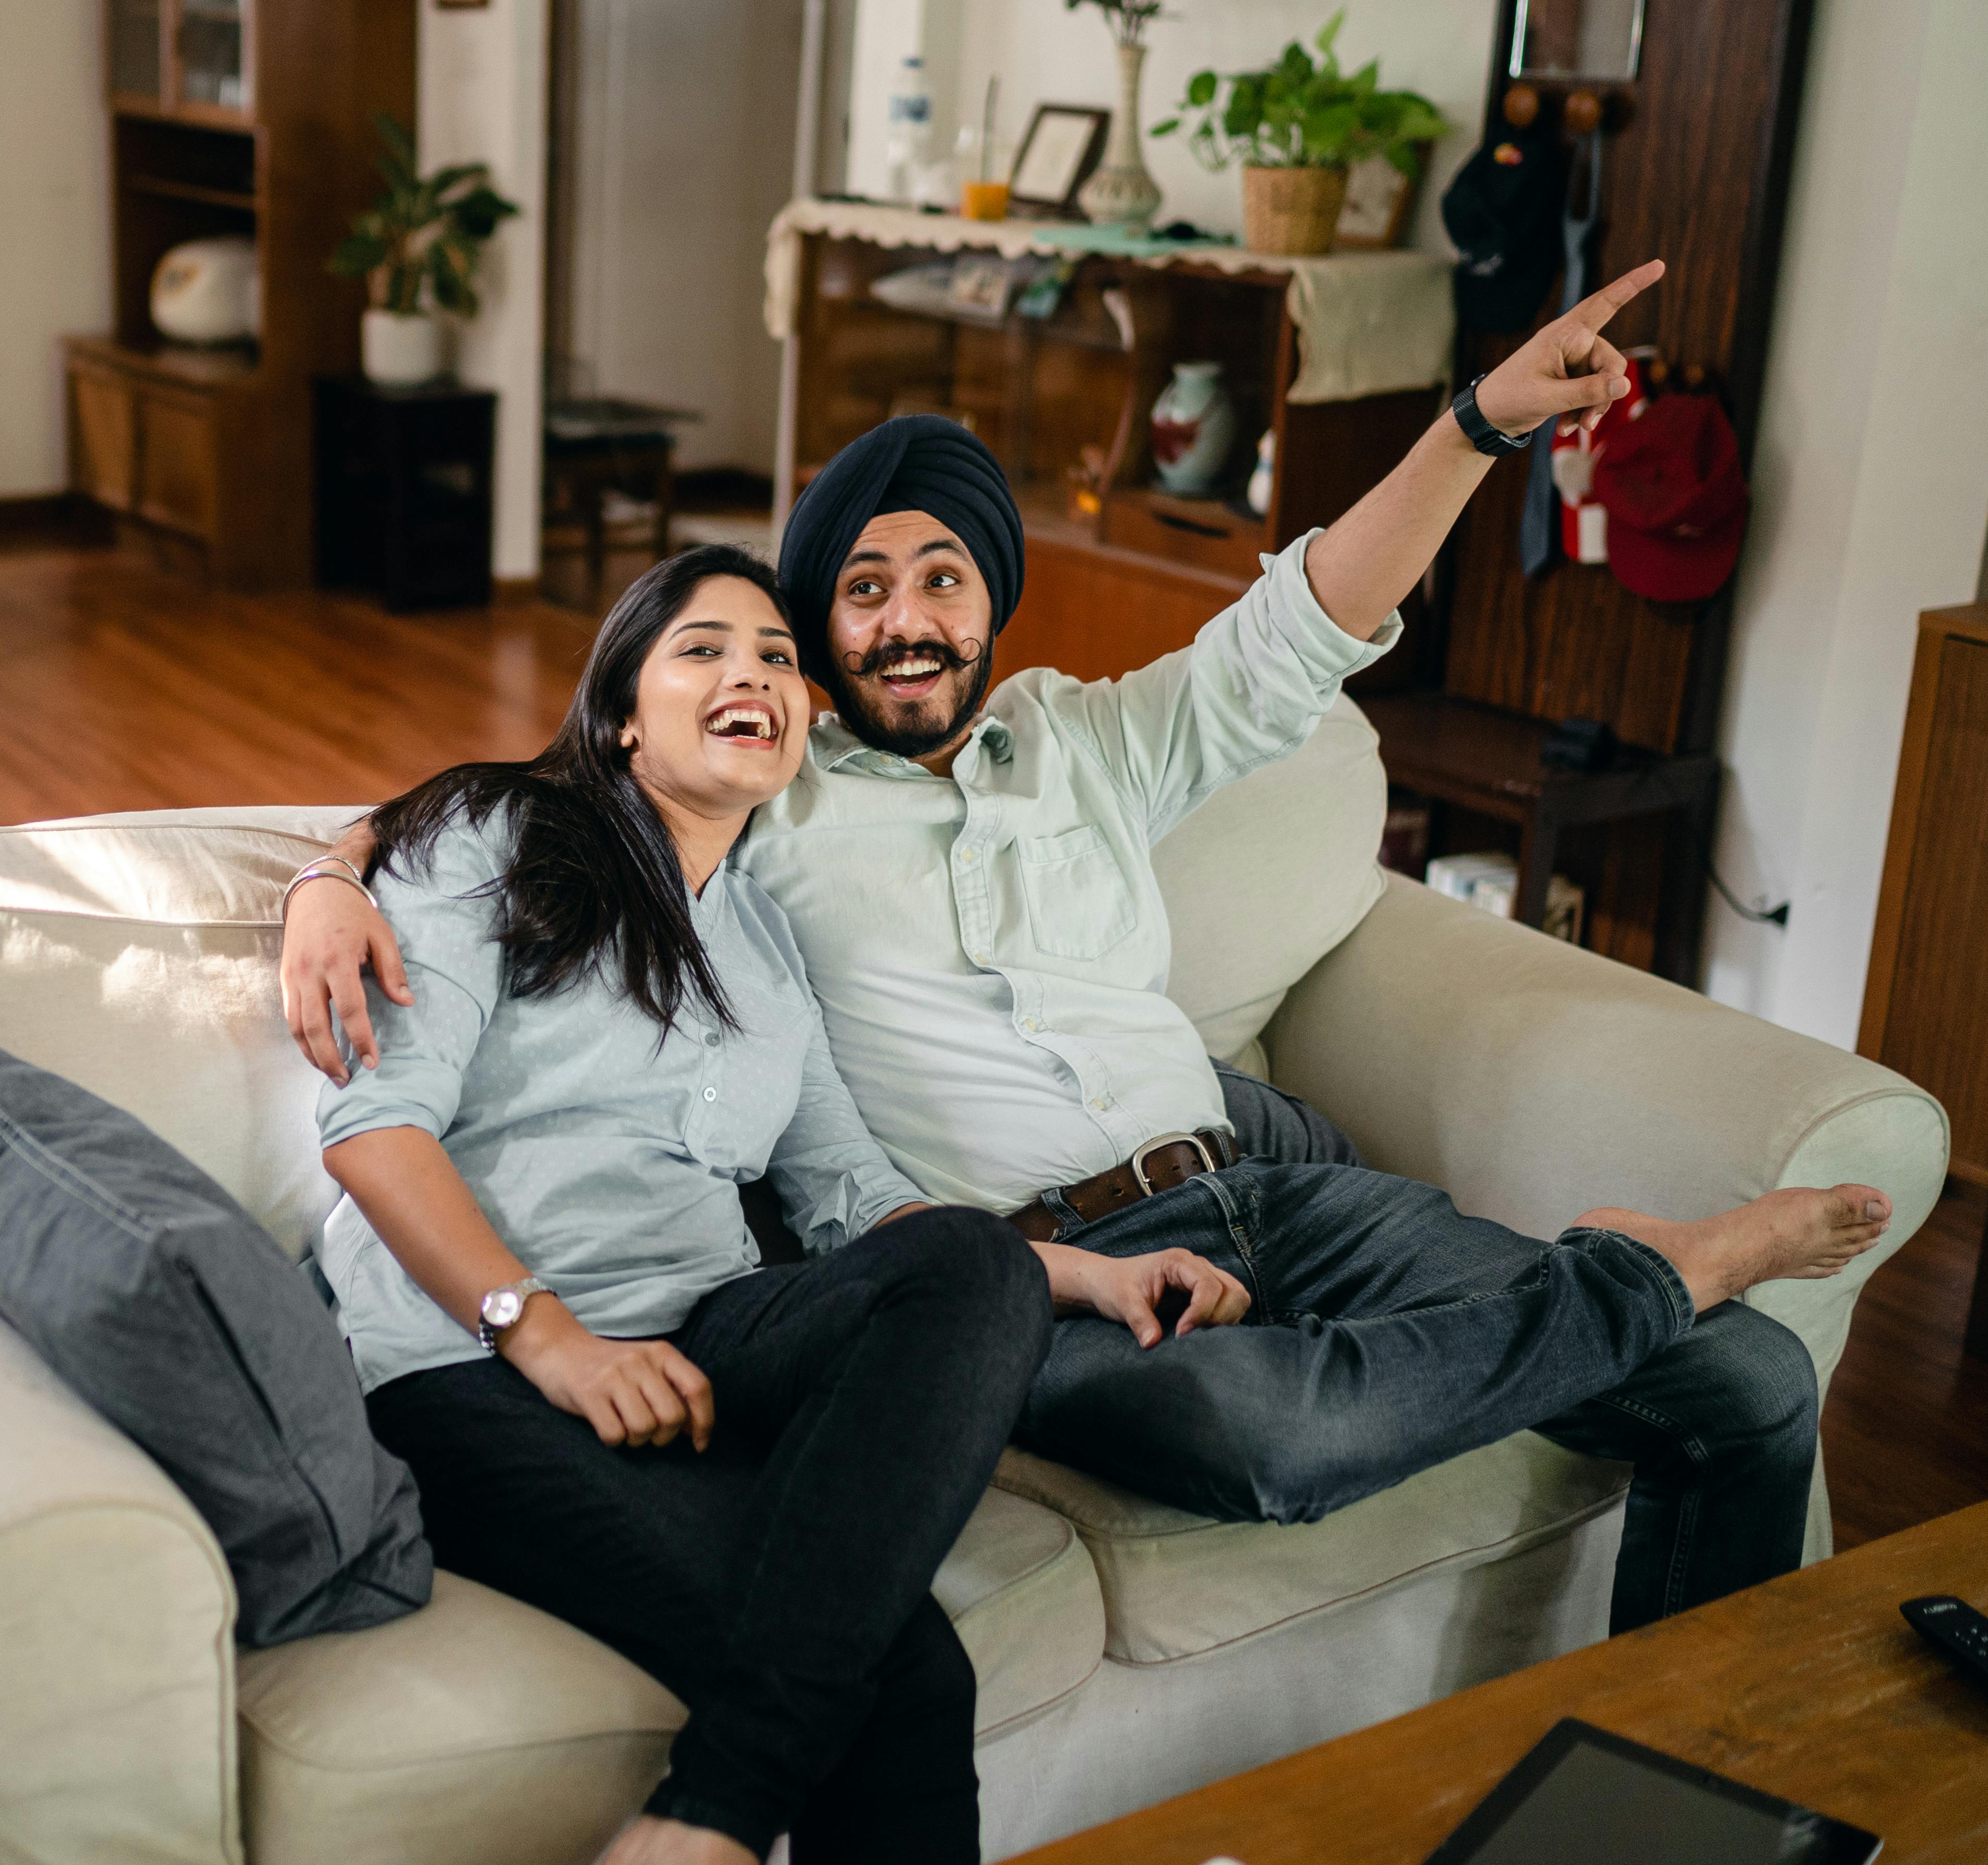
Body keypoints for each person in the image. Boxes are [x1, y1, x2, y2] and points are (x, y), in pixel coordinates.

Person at [288, 261, 1892, 1637]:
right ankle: (1627, 1269)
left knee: (1747, 1386)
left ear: (992, 598)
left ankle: (1686, 1783)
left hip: (1265, 1190)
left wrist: (1474, 426)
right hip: (1038, 1278)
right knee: (1271, 1437)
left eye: (940, 575)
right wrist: (330, 871)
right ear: (815, 630)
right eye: (854, 589)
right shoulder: (766, 785)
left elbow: (1303, 625)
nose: (903, 616)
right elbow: (553, 794)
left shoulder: (1093, 741)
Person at [316, 544, 1247, 1865]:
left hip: (701, 1343)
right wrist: (548, 1336)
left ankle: (710, 1813)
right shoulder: (495, 833)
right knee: (909, 1680)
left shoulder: (762, 940)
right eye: (700, 648)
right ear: (621, 712)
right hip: (467, 1366)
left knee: (972, 1262)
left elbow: (852, 1202)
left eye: (772, 655)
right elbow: (373, 1128)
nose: (748, 671)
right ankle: (716, 1816)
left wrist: (1082, 1276)